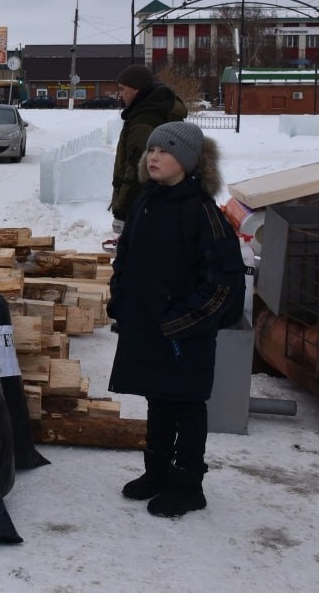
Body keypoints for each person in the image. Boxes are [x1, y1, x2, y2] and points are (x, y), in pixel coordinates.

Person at [107, 121, 245, 518]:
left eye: (164, 151)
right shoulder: (146, 201)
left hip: (186, 335)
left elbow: (223, 284)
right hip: (149, 326)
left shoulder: (202, 212)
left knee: (186, 405)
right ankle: (157, 473)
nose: (153, 157)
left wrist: (180, 323)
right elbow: (126, 257)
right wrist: (121, 298)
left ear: (186, 161)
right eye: (151, 150)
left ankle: (188, 485)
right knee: (158, 399)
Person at [108, 64, 188, 246]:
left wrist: (122, 212)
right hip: (161, 200)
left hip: (144, 203)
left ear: (136, 90)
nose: (120, 94)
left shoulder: (143, 121)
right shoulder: (157, 110)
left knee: (141, 251)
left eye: (123, 89)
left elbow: (138, 169)